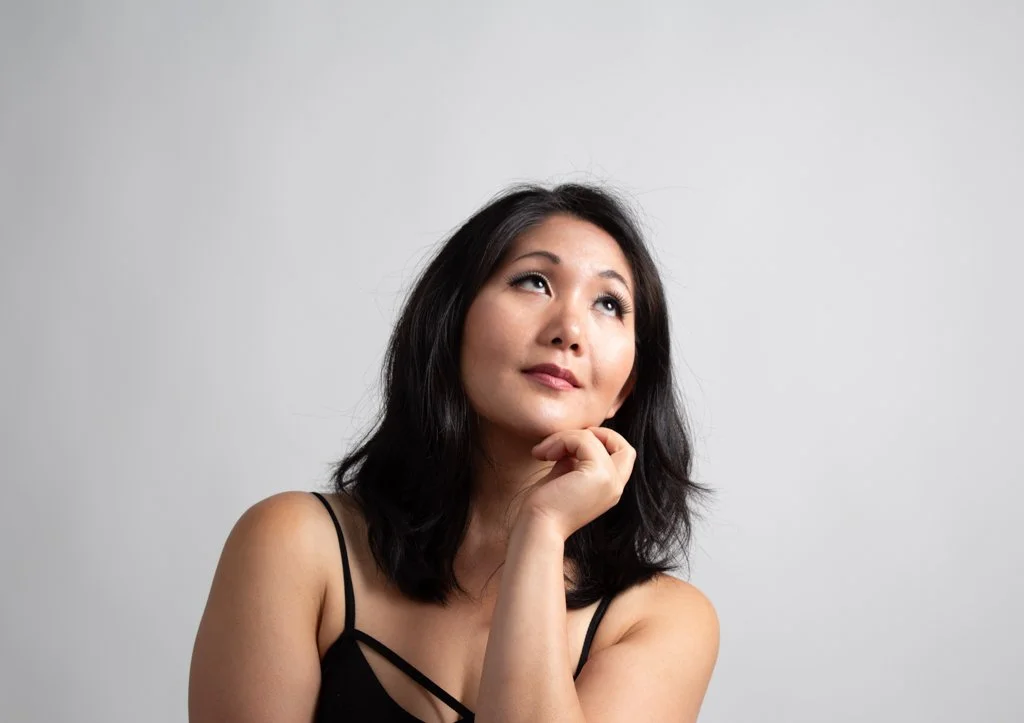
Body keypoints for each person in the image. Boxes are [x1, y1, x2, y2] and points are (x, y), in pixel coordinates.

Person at [188, 183, 720, 722]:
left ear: (625, 389)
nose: (570, 331)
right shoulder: (294, 546)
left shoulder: (663, 621)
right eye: (534, 282)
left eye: (609, 303)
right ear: (451, 322)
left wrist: (540, 532)